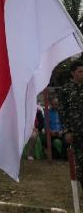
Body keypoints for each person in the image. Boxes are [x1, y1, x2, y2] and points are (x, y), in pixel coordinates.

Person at [59, 60, 83, 188]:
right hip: (77, 133)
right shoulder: (65, 90)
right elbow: (63, 112)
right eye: (80, 72)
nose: (82, 74)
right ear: (72, 73)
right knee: (80, 164)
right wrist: (67, 131)